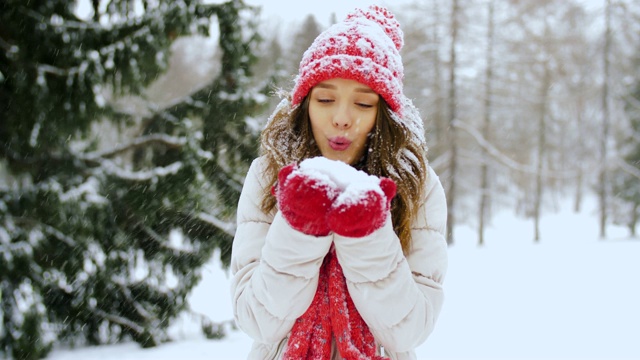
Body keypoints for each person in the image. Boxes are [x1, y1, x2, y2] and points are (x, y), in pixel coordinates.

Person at [230, 5, 448, 360]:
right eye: (326, 99)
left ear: (385, 114)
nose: (342, 119)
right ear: (304, 104)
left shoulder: (417, 185)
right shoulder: (268, 173)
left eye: (363, 103)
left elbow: (410, 329)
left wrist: (367, 235)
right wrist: (300, 229)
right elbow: (257, 320)